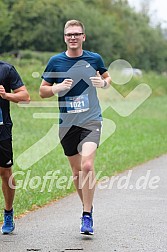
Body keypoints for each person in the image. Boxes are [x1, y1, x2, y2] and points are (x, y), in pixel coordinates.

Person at [39, 19, 111, 235]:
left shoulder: (94, 58)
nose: (73, 37)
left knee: (88, 165)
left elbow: (108, 79)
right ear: (64, 37)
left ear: (83, 37)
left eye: (77, 34)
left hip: (91, 119)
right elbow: (42, 91)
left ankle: (87, 215)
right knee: (77, 171)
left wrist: (103, 83)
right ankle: (85, 208)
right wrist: (57, 88)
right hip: (67, 123)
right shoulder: (55, 62)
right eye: (69, 34)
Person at [0, 61, 30, 234]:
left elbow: (25, 97)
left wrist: (6, 96)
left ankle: (8, 212)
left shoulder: (6, 69)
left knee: (5, 173)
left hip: (2, 131)